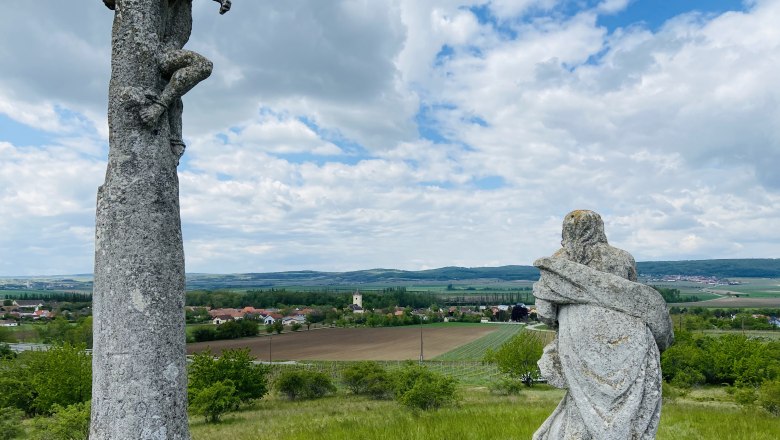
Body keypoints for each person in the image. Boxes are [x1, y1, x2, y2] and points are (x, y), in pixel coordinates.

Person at [532, 210, 673, 440]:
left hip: (580, 334)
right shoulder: (623, 258)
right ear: (600, 228)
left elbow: (546, 312)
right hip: (629, 336)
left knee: (580, 403)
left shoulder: (559, 261)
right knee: (631, 405)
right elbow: (634, 299)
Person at [103, 0, 231, 163]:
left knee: (175, 86)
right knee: (202, 66)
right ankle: (160, 109)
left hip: (170, 49)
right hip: (162, 52)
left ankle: (175, 137)